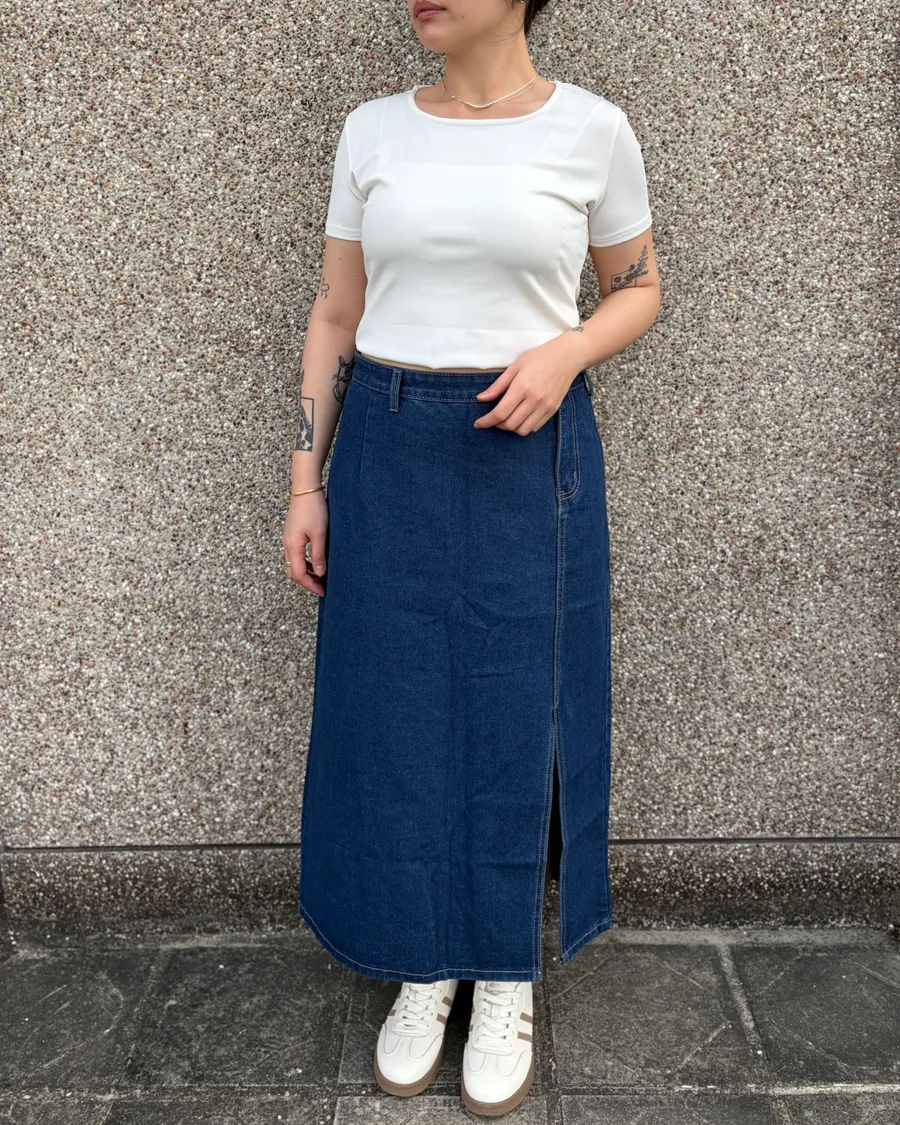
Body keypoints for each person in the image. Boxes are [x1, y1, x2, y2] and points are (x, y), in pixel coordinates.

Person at [282, 0, 660, 1116]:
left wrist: (568, 351)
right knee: (394, 710)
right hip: (388, 447)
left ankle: (504, 970)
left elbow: (641, 286)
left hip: (525, 451)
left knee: (515, 709)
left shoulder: (592, 130)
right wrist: (305, 480)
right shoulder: (372, 131)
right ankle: (423, 960)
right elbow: (336, 311)